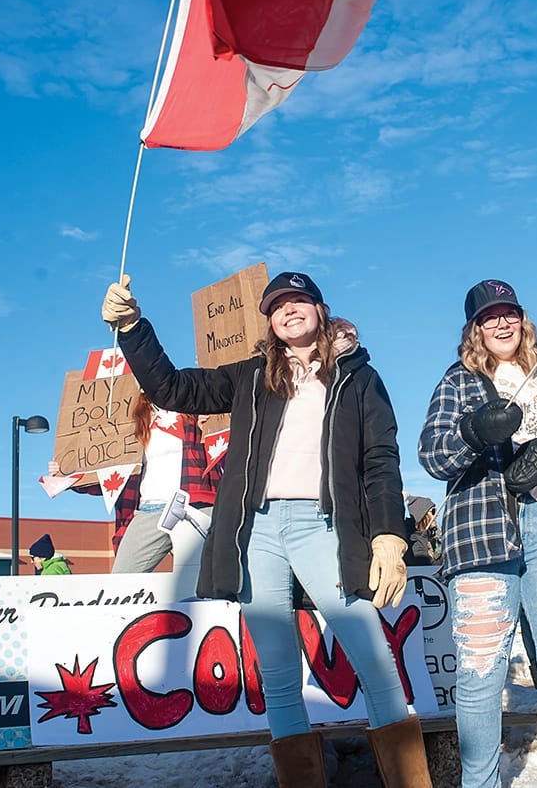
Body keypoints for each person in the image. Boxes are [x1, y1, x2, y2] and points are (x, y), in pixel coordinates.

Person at [102, 270, 430, 788]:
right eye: (278, 306)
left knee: (374, 656)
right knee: (277, 673)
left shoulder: (358, 377)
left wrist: (390, 534)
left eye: (299, 300)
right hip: (257, 529)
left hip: (325, 527)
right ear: (270, 322)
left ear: (320, 309)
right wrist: (133, 328)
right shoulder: (252, 376)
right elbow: (172, 387)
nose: (289, 310)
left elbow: (381, 459)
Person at [419, 278, 537, 788]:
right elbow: (433, 455)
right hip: (482, 531)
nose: (501, 322)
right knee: (481, 675)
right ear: (475, 330)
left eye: (509, 312)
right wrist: (474, 431)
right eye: (489, 317)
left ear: (522, 319)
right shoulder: (457, 381)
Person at [48, 391, 218, 599]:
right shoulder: (129, 422)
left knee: (206, 585)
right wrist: (67, 472)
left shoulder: (191, 405)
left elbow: (224, 442)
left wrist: (211, 422)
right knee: (121, 582)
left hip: (194, 505)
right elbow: (109, 472)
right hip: (151, 509)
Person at [404, 495, 441, 566]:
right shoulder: (415, 542)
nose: (436, 514)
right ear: (422, 516)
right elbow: (426, 567)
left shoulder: (430, 538)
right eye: (433, 511)